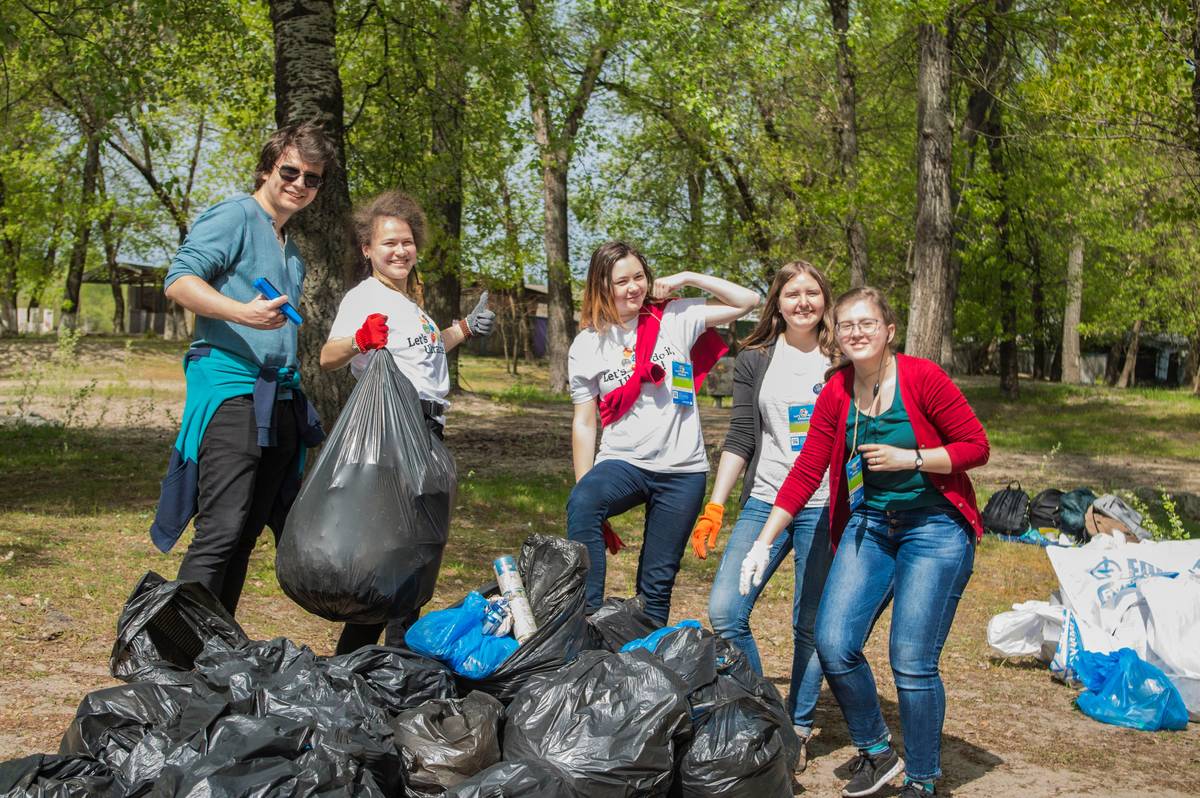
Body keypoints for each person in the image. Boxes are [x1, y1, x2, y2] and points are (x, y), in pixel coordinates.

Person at [739, 286, 989, 798]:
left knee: (912, 659)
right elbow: (808, 468)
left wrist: (913, 459)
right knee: (832, 642)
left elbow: (976, 447)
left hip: (935, 526)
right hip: (870, 524)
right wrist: (764, 541)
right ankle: (878, 753)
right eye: (846, 325)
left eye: (866, 323)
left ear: (888, 330)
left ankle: (922, 781)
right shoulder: (835, 391)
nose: (856, 333)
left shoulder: (923, 378)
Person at [150, 122, 336, 616]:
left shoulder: (291, 250)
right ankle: (175, 654)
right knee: (222, 528)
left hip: (276, 396)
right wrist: (241, 312)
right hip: (231, 387)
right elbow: (179, 281)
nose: (299, 184)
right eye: (290, 171)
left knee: (248, 530)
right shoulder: (235, 215)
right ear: (268, 168)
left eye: (312, 178)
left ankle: (212, 646)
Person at [320, 189, 494, 654]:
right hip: (394, 432)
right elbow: (328, 356)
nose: (400, 251)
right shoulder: (366, 296)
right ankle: (373, 662)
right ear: (367, 250)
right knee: (395, 554)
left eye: (407, 242)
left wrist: (464, 328)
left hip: (427, 431)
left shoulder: (407, 303)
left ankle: (375, 664)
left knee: (412, 555)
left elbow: (425, 349)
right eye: (389, 243)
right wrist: (358, 339)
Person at [566, 240, 759, 625]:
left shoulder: (674, 317)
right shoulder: (587, 344)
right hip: (624, 463)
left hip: (683, 473)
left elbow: (748, 300)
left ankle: (642, 661)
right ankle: (586, 619)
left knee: (657, 584)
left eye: (639, 276)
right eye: (622, 281)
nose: (633, 287)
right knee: (583, 502)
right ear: (602, 286)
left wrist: (686, 276)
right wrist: (585, 489)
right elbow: (585, 423)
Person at [695, 260, 837, 773]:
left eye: (813, 292)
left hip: (827, 507)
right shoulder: (754, 359)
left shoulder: (843, 357)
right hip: (766, 500)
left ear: (826, 300)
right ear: (776, 301)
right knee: (726, 610)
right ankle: (769, 713)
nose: (803, 301)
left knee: (810, 624)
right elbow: (740, 437)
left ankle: (796, 728)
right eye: (792, 292)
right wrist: (716, 504)